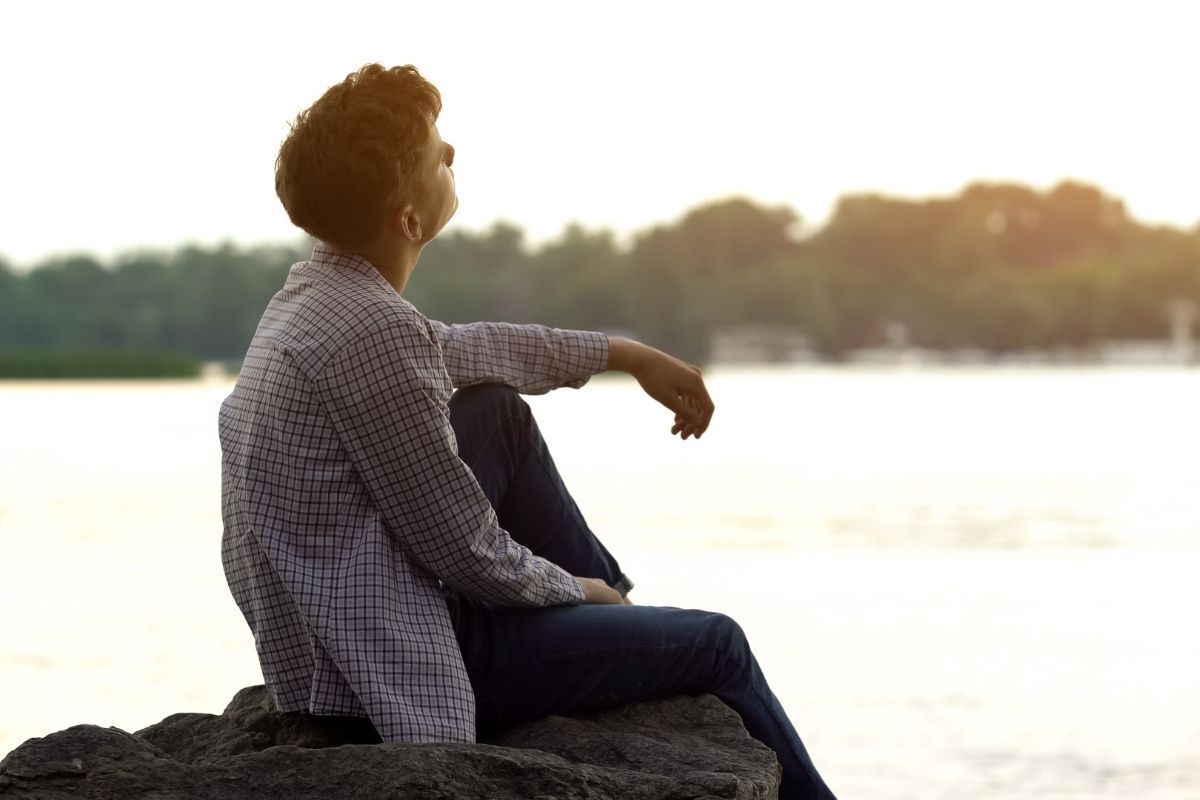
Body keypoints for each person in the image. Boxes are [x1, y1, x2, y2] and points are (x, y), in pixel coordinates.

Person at [219, 62, 837, 799]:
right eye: (435, 153)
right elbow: (465, 549)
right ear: (409, 219)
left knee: (495, 413)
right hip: (386, 654)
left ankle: (623, 626)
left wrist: (623, 354)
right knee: (717, 644)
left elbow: (465, 349)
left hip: (337, 605)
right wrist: (578, 590)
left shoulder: (317, 292)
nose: (451, 156)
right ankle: (625, 626)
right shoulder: (376, 332)